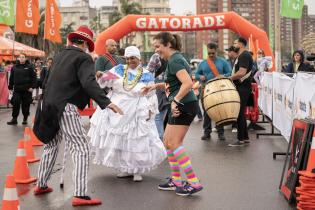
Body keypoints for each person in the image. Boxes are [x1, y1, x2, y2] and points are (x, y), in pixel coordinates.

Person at [33, 26, 123, 206]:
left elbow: (47, 81)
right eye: (87, 45)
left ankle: (41, 184)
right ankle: (80, 195)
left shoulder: (58, 56)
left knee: (51, 144)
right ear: (83, 43)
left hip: (49, 104)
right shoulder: (83, 58)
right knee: (81, 148)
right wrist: (106, 102)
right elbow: (88, 82)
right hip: (66, 106)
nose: (88, 48)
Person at [88, 46, 166, 182]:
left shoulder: (146, 74)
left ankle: (137, 170)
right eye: (127, 58)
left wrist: (151, 110)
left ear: (139, 59)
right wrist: (101, 76)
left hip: (137, 108)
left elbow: (152, 94)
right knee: (121, 141)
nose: (130, 61)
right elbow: (106, 80)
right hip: (118, 108)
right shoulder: (118, 69)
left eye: (133, 58)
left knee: (136, 141)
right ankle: (125, 168)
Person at [142, 32, 203, 196]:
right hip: (182, 103)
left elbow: (188, 83)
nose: (156, 50)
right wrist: (155, 86)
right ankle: (176, 180)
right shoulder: (173, 60)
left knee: (174, 143)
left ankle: (193, 182)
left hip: (184, 104)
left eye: (158, 46)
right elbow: (173, 83)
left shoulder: (175, 60)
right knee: (168, 142)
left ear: (168, 44)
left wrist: (175, 101)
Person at [195, 43, 231, 141]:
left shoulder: (223, 62)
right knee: (206, 111)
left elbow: (230, 72)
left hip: (219, 89)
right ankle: (207, 132)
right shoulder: (202, 63)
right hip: (205, 89)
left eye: (213, 53)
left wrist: (223, 75)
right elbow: (196, 74)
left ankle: (220, 133)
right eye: (209, 53)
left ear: (216, 51)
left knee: (219, 110)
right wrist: (200, 76)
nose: (211, 55)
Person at [228, 37, 253, 147]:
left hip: (243, 87)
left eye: (235, 42)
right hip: (242, 87)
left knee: (239, 113)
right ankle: (245, 138)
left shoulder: (244, 55)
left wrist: (230, 78)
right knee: (240, 112)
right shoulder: (242, 55)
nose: (233, 45)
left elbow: (242, 72)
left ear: (241, 44)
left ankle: (240, 139)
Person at [7, 53, 36, 125]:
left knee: (25, 105)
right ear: (18, 58)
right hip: (17, 90)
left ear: (25, 58)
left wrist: (32, 87)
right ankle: (14, 119)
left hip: (27, 90)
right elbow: (11, 78)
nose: (22, 58)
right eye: (20, 57)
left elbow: (34, 78)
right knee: (15, 103)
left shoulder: (29, 67)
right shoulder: (14, 67)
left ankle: (25, 118)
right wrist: (10, 87)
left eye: (23, 57)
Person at [147, 53, 170, 140]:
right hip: (171, 87)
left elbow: (149, 72)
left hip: (159, 88)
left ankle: (160, 138)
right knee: (170, 117)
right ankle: (168, 139)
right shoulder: (175, 56)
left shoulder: (156, 56)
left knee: (158, 116)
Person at [225, 46, 238, 133]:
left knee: (235, 106)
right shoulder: (226, 61)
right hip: (227, 86)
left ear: (233, 52)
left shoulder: (238, 60)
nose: (228, 54)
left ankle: (235, 125)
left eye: (229, 52)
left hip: (236, 85)